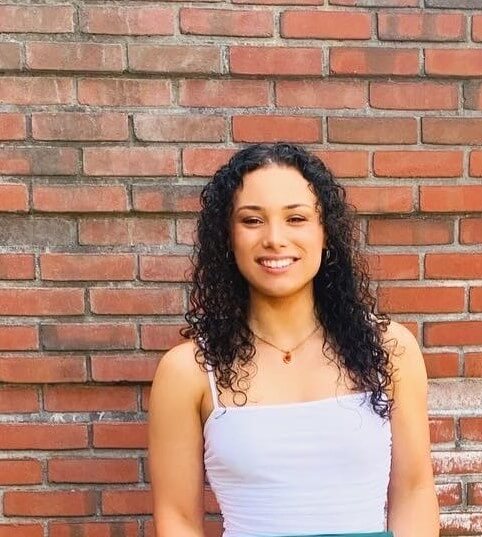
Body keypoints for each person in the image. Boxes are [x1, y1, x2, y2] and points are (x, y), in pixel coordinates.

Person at [148, 142, 440, 537]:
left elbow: (414, 491)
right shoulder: (188, 370)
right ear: (227, 239)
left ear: (325, 234)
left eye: (296, 218)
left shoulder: (390, 350)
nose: (275, 239)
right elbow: (177, 519)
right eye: (252, 221)